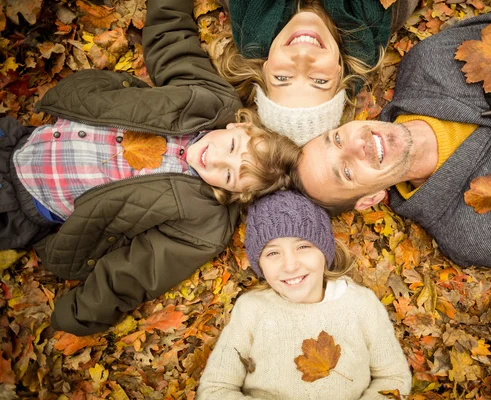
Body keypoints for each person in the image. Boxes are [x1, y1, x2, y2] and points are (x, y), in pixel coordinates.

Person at [0, 0, 300, 336]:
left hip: (24, 203)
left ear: (236, 194)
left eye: (229, 175)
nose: (214, 159)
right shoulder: (210, 103)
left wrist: (83, 313)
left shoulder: (205, 223)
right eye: (231, 149)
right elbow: (172, 45)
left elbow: (139, 270)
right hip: (22, 139)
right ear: (238, 127)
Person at [295, 0, 491, 271]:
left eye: (336, 140)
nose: (356, 147)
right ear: (370, 199)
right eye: (346, 172)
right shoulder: (472, 233)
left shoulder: (430, 62)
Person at [197, 190, 412, 399]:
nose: (290, 266)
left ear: (324, 251)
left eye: (303, 247)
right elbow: (215, 389)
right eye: (273, 252)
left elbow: (393, 378)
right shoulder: (251, 309)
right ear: (259, 264)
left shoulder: (361, 304)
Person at [213, 0, 419, 146]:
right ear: (340, 75)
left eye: (282, 78)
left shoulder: (240, 6)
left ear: (265, 68)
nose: (303, 55)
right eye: (319, 80)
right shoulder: (393, 10)